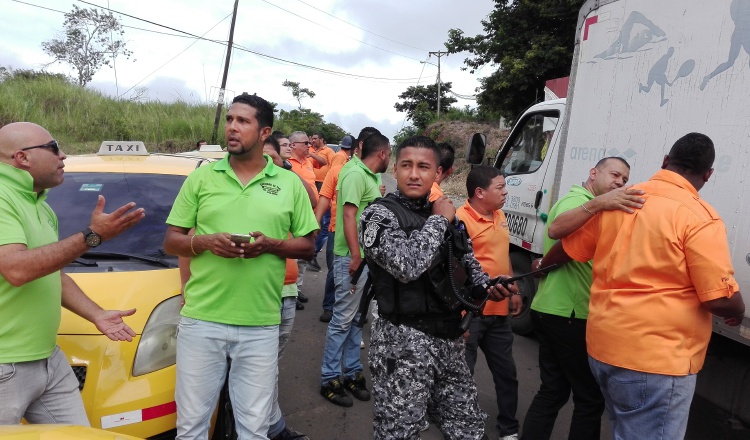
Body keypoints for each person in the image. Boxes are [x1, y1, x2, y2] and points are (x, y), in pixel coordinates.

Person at [541, 133, 746, 440]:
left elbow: (566, 249)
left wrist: (539, 268)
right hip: (657, 360)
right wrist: (738, 308)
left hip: (603, 349)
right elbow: (718, 299)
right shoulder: (700, 217)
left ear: (665, 161)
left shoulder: (619, 201)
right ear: (708, 174)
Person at [163, 93, 318, 440]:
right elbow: (171, 240)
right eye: (230, 119)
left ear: (264, 133)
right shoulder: (202, 178)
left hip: (260, 323)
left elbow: (308, 246)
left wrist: (271, 245)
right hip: (202, 320)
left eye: (243, 121)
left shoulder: (288, 183)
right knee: (190, 428)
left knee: (254, 429)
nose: (232, 127)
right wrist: (205, 242)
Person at [360, 135, 515, 439]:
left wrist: (489, 285)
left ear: (438, 174)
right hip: (402, 345)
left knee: (468, 428)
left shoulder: (447, 218)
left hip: (450, 342)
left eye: (423, 167)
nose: (414, 174)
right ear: (395, 169)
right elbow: (407, 266)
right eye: (406, 165)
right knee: (399, 432)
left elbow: (468, 265)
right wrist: (439, 221)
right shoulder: (378, 215)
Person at [0, 122, 145, 425]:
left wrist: (97, 314)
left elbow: (52, 273)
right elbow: (15, 269)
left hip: (47, 359)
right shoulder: (3, 197)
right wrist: (93, 236)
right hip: (6, 365)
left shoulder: (39, 202)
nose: (63, 155)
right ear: (22, 158)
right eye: (53, 147)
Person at [521, 157, 644, 440]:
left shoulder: (589, 205)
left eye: (624, 180)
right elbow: (557, 229)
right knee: (589, 399)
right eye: (615, 175)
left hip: (552, 309)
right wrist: (600, 204)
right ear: (593, 173)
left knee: (552, 391)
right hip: (570, 314)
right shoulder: (578, 201)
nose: (619, 183)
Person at [319, 132, 391, 407]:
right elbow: (348, 215)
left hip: (364, 260)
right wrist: (355, 255)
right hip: (352, 259)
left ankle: (351, 372)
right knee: (342, 320)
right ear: (382, 154)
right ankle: (329, 378)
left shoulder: (370, 176)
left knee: (355, 319)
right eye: (390, 154)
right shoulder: (354, 174)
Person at [455, 165, 522, 440]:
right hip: (471, 314)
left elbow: (502, 254)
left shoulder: (500, 215)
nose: (506, 192)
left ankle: (509, 428)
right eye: (500, 187)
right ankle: (463, 428)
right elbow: (454, 272)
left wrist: (514, 289)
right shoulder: (459, 220)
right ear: (480, 192)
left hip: (498, 312)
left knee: (507, 374)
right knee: (462, 377)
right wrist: (460, 317)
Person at [315, 134, 357, 323]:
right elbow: (325, 196)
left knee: (358, 271)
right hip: (335, 228)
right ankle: (329, 306)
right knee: (334, 269)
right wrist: (315, 223)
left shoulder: (369, 174)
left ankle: (354, 309)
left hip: (360, 231)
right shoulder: (336, 171)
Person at [287, 131, 319, 306]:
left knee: (304, 258)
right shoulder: (286, 165)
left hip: (310, 215)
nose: (309, 146)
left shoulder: (308, 162)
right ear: (293, 145)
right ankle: (291, 292)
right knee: (293, 255)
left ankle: (297, 289)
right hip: (295, 218)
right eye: (306, 143)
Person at [309, 132, 336, 272]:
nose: (313, 141)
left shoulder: (329, 152)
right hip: (311, 184)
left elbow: (327, 164)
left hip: (323, 186)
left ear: (322, 140)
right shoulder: (310, 150)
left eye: (315, 139)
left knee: (324, 222)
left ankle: (312, 252)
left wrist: (312, 155)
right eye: (311, 138)